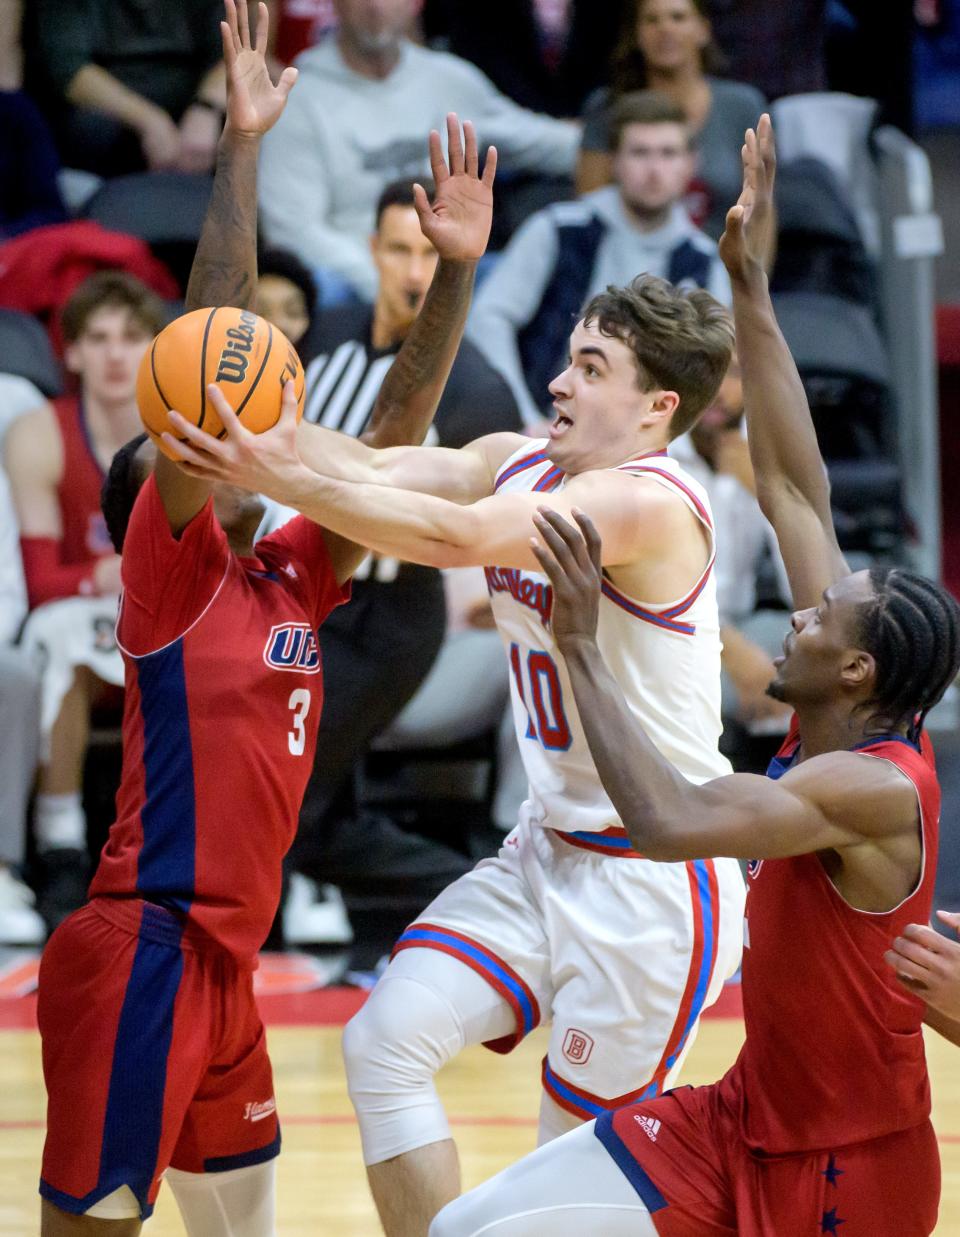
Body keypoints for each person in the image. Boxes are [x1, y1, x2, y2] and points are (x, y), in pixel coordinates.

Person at [426, 115, 960, 1237]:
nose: (801, 608)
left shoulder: (872, 787)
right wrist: (749, 289)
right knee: (457, 1233)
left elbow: (667, 820)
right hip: (737, 1116)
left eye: (822, 614)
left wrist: (579, 645)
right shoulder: (837, 716)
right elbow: (796, 490)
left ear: (853, 667)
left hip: (840, 1172)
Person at [163, 213, 746, 1237]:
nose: (558, 384)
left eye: (590, 368)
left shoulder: (655, 504)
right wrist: (241, 425)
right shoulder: (520, 460)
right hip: (544, 853)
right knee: (381, 1042)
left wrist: (275, 477)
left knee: (556, 1186)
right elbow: (386, 472)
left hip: (653, 889)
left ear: (657, 407)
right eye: (568, 359)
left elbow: (451, 535)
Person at [36, 2, 497, 1229]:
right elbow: (209, 342)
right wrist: (242, 148)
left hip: (225, 964)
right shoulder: (172, 574)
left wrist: (454, 271)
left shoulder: (289, 571)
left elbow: (391, 439)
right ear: (169, 488)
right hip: (141, 947)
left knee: (246, 1221)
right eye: (198, 442)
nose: (234, 438)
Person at [266, 177, 523, 947]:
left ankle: (486, 901)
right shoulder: (330, 335)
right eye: (402, 249)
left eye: (427, 253)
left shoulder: (476, 387)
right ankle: (478, 897)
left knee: (290, 799)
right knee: (312, 810)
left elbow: (497, 517)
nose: (416, 269)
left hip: (385, 620)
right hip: (303, 599)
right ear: (373, 252)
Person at [5, 271, 168, 931]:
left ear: (157, 349)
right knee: (64, 636)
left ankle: (170, 843)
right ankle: (62, 838)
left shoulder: (181, 437)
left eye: (131, 338)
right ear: (69, 353)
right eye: (96, 339)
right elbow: (40, 580)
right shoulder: (38, 434)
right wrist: (100, 575)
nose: (114, 355)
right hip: (79, 611)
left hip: (157, 614)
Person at [257, 0, 581, 300]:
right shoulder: (300, 96)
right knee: (317, 290)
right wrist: (392, 280)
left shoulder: (450, 79)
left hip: (452, 265)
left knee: (529, 274)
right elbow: (294, 229)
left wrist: (608, 136)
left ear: (417, 3)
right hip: (354, 279)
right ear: (335, 4)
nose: (376, 6)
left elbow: (543, 142)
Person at [469, 89, 731, 425]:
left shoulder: (705, 261)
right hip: (541, 426)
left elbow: (714, 369)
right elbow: (487, 318)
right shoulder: (557, 229)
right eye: (640, 153)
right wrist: (521, 417)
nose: (654, 169)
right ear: (614, 162)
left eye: (668, 153)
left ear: (691, 164)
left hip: (652, 442)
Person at [577, 0, 765, 240]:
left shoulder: (743, 106)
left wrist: (750, 276)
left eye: (678, 17)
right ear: (636, 34)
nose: (665, 28)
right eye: (651, 20)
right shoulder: (605, 108)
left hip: (721, 268)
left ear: (703, 30)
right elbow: (589, 211)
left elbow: (762, 210)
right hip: (627, 270)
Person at [24, 0, 228, 177]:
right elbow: (68, 70)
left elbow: (234, 51)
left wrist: (206, 108)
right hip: (112, 116)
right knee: (89, 130)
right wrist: (152, 122)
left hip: (195, 108)